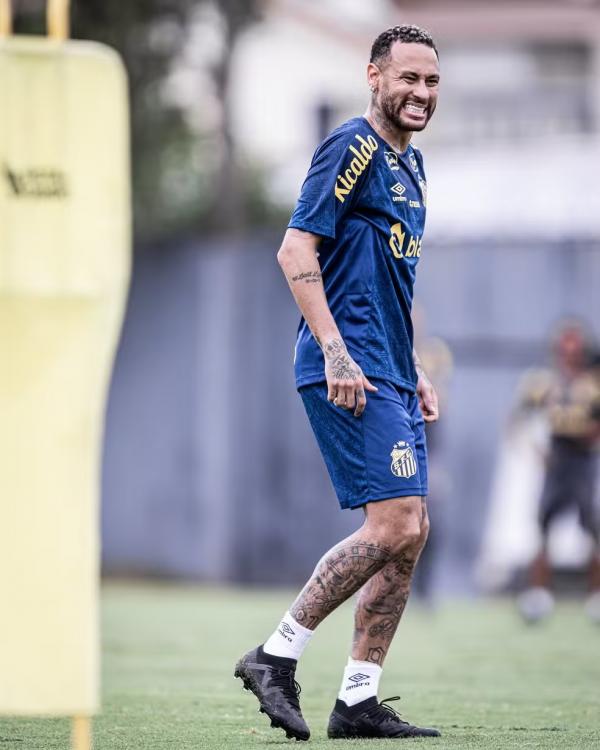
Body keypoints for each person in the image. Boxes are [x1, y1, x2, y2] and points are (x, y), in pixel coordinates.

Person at [235, 25, 441, 740]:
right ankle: (275, 654)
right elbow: (296, 246)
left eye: (432, 82)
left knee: (411, 536)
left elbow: (394, 285)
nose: (420, 93)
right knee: (395, 524)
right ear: (374, 78)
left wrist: (411, 368)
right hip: (346, 368)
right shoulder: (352, 146)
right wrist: (336, 352)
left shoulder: (412, 171)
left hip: (388, 370)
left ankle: (357, 699)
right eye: (408, 78)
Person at [517, 322, 600, 623]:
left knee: (592, 526)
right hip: (557, 457)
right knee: (543, 525)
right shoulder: (545, 382)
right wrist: (536, 451)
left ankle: (595, 595)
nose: (568, 355)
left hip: (584, 459)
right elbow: (519, 418)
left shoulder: (593, 383)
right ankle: (538, 594)